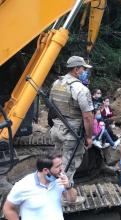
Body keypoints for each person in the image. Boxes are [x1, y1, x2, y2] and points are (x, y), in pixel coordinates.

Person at [49, 56, 94, 184]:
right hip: (72, 133)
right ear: (76, 69)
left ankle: (52, 186)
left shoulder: (56, 83)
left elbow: (51, 107)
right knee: (69, 165)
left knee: (56, 162)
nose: (85, 72)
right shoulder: (81, 89)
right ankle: (65, 197)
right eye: (83, 69)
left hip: (56, 129)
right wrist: (89, 137)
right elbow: (87, 116)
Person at [3, 153, 80, 220]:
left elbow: (72, 200)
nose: (62, 170)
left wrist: (68, 187)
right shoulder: (23, 185)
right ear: (46, 170)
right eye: (58, 167)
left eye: (61, 165)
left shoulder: (59, 180)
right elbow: (8, 209)